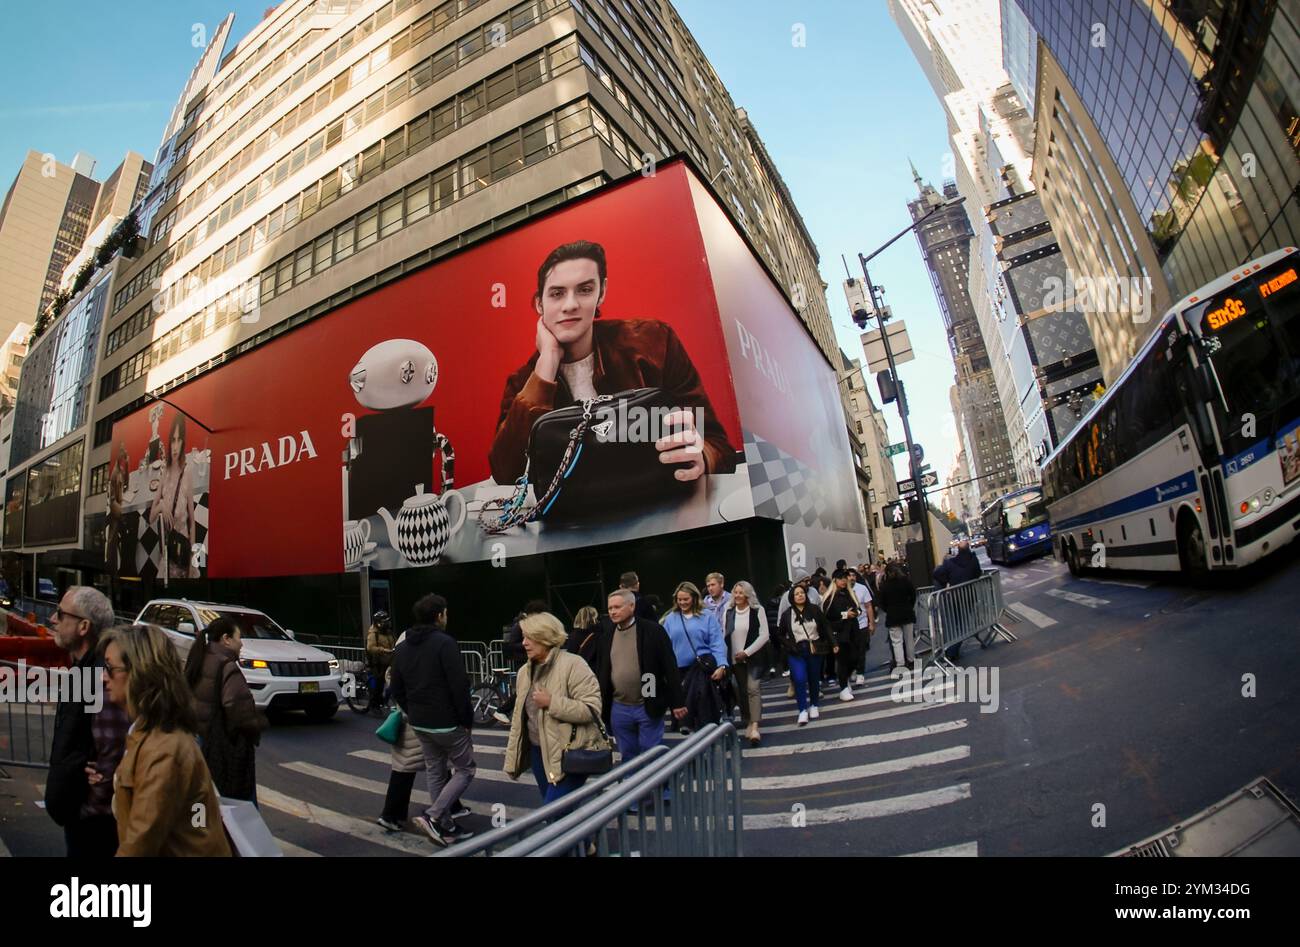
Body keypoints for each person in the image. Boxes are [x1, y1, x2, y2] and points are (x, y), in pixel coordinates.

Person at [489, 240, 738, 485]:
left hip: (661, 508)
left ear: (602, 292)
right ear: (539, 304)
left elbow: (718, 446)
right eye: (557, 294)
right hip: (573, 521)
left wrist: (702, 457)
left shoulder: (654, 343)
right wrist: (548, 363)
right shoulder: (523, 383)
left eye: (585, 290)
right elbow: (506, 475)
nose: (570, 305)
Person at [100, 624, 231, 856]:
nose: (103, 677)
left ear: (140, 672)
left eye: (109, 668)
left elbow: (140, 842)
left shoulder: (163, 749)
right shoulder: (144, 731)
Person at [46, 586, 129, 857]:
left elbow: (114, 751)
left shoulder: (102, 679)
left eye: (60, 614)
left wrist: (89, 807)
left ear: (83, 626)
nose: (52, 619)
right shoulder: (85, 671)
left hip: (93, 824)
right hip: (82, 815)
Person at [389, 593, 477, 848]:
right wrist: (466, 719)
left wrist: (412, 710)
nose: (447, 617)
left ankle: (445, 825)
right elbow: (459, 685)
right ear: (439, 616)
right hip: (448, 721)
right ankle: (435, 815)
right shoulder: (444, 643)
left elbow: (397, 687)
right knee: (465, 769)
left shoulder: (403, 648)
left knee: (435, 770)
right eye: (446, 613)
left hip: (420, 723)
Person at [503, 612, 606, 803]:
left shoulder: (574, 664)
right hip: (538, 751)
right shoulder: (524, 672)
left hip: (570, 751)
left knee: (554, 808)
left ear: (546, 637)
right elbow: (519, 718)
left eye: (529, 638)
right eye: (523, 637)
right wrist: (513, 760)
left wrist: (552, 702)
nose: (524, 643)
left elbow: (591, 709)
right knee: (559, 811)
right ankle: (579, 833)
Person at [376, 627, 471, 832]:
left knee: (432, 766)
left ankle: (449, 808)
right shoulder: (408, 660)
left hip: (414, 720)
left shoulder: (402, 659)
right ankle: (395, 814)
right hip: (414, 722)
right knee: (411, 769)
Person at [594, 588, 686, 762]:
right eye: (610, 608)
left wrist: (677, 702)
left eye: (617, 607)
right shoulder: (606, 636)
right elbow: (603, 670)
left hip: (647, 701)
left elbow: (669, 666)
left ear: (632, 606)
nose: (613, 612)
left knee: (651, 754)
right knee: (628, 755)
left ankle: (659, 788)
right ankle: (634, 787)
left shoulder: (652, 630)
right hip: (618, 706)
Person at [184, 616, 266, 803]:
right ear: (226, 639)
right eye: (239, 637)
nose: (241, 644)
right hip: (223, 748)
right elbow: (239, 710)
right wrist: (257, 724)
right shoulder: (227, 667)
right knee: (240, 807)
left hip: (200, 742)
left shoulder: (199, 658)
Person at [661, 581, 728, 732]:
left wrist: (722, 665)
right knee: (685, 704)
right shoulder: (671, 618)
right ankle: (691, 736)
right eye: (680, 599)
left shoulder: (706, 616)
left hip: (701, 668)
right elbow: (665, 645)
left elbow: (716, 642)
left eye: (686, 599)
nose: (682, 602)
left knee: (702, 703)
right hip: (679, 671)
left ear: (694, 598)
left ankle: (706, 739)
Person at [774, 585, 836, 726]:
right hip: (796, 650)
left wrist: (833, 643)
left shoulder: (814, 610)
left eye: (802, 593)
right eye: (797, 594)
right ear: (792, 597)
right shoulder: (787, 615)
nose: (800, 595)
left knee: (814, 678)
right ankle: (802, 710)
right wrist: (789, 645)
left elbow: (825, 627)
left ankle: (814, 704)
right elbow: (780, 634)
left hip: (814, 648)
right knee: (799, 679)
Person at [150, 413, 196, 579]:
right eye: (173, 440)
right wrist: (161, 505)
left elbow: (192, 522)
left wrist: (193, 561)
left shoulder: (187, 472)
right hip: (168, 552)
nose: (175, 446)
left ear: (183, 442)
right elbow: (151, 517)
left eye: (179, 439)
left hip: (183, 550)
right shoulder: (165, 473)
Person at [724, 581, 770, 746]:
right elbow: (725, 635)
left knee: (753, 688)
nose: (737, 596)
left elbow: (764, 635)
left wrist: (747, 652)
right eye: (735, 592)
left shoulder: (758, 610)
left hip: (754, 658)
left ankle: (755, 725)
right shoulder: (728, 612)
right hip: (735, 660)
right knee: (741, 690)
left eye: (741, 593)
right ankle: (749, 720)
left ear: (748, 595)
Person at [495, 599, 548, 725]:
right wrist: (530, 645)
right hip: (522, 660)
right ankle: (503, 710)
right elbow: (512, 644)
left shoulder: (528, 624)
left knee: (530, 689)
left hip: (529, 659)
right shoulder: (521, 624)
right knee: (524, 689)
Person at [933, 539, 983, 661]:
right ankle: (952, 651)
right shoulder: (973, 560)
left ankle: (952, 651)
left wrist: (943, 586)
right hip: (969, 596)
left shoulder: (951, 563)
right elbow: (977, 573)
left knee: (955, 625)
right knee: (963, 626)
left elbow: (938, 574)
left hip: (955, 597)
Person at [823, 571, 861, 701]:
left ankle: (845, 679)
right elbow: (828, 617)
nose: (844, 581)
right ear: (835, 580)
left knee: (855, 658)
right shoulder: (830, 598)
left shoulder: (849, 594)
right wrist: (845, 614)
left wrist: (855, 613)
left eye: (845, 578)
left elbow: (858, 608)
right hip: (839, 633)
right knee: (842, 661)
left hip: (853, 631)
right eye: (841, 578)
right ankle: (843, 687)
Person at [876, 562, 918, 677]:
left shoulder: (885, 585)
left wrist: (888, 610)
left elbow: (882, 602)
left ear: (888, 573)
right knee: (909, 639)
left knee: (896, 641)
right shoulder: (906, 581)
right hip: (907, 612)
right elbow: (913, 595)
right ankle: (911, 660)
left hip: (892, 615)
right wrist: (909, 605)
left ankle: (900, 664)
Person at [848, 567, 876, 684]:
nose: (852, 578)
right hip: (849, 626)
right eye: (850, 576)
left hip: (862, 623)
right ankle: (853, 669)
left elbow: (869, 606)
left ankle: (860, 672)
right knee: (852, 650)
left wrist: (872, 623)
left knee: (861, 649)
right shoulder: (843, 590)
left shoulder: (862, 588)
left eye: (854, 575)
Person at [365, 610, 396, 707]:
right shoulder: (373, 634)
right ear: (378, 623)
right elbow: (370, 647)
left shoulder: (389, 632)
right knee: (379, 683)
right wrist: (383, 650)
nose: (386, 623)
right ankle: (374, 704)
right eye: (384, 621)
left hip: (390, 661)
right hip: (378, 663)